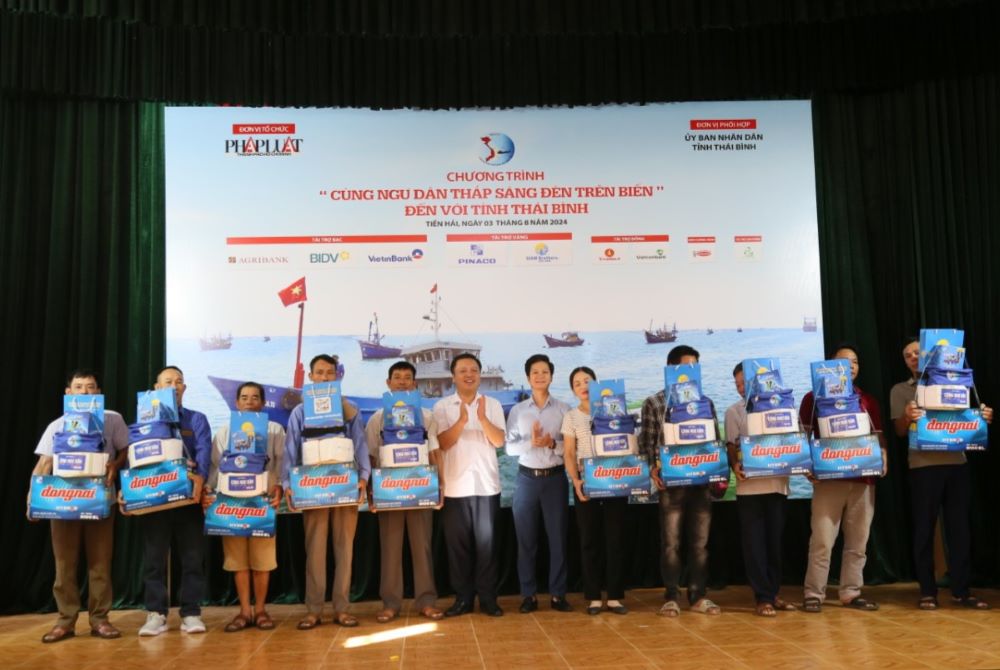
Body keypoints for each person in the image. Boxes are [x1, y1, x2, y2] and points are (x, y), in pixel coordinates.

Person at [890, 336, 993, 610]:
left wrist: (983, 417)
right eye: (907, 355)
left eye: (916, 352)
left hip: (957, 464)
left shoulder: (957, 384)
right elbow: (899, 431)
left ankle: (961, 590)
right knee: (924, 529)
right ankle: (927, 591)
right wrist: (907, 417)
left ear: (928, 355)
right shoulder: (900, 390)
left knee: (960, 530)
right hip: (923, 467)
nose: (913, 357)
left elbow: (970, 420)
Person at [29, 369, 129, 643]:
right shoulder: (57, 425)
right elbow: (44, 464)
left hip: (100, 501)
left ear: (98, 392)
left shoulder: (113, 419)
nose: (85, 392)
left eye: (90, 387)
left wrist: (114, 465)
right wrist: (32, 498)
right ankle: (65, 621)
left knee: (100, 564)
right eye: (79, 387)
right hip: (63, 502)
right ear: (68, 393)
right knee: (65, 565)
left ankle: (100, 620)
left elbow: (125, 451)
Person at [283, 354, 369, 628]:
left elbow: (360, 445)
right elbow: (290, 450)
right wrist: (288, 483)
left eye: (329, 373)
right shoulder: (300, 412)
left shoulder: (350, 409)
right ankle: (314, 609)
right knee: (315, 550)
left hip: (345, 486)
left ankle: (342, 608)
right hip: (312, 488)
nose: (324, 377)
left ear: (337, 376)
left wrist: (364, 477)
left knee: (345, 549)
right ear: (310, 377)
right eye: (319, 373)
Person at [799, 345, 887, 613]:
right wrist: (806, 464)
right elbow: (803, 437)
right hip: (829, 480)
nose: (850, 366)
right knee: (823, 540)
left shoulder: (867, 400)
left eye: (855, 362)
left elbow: (878, 436)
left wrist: (883, 457)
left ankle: (851, 592)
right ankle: (814, 593)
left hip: (863, 480)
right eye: (843, 362)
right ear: (829, 367)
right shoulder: (813, 398)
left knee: (858, 542)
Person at [639, 345, 720, 617]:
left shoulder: (706, 403)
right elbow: (646, 445)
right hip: (670, 487)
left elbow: (715, 443)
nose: (692, 372)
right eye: (687, 367)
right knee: (671, 544)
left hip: (701, 484)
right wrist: (652, 468)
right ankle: (671, 596)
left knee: (701, 544)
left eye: (695, 367)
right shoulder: (654, 403)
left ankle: (698, 596)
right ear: (672, 369)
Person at [364, 361, 444, 623]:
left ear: (415, 384)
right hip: (389, 491)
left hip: (421, 488)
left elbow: (434, 454)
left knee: (422, 547)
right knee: (390, 548)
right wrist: (371, 494)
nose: (401, 382)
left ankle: (427, 601)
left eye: (407, 378)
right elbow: (371, 459)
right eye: (396, 377)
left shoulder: (427, 416)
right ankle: (391, 603)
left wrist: (439, 486)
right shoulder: (376, 419)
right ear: (388, 383)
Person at [203, 381, 285, 632]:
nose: (250, 402)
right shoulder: (225, 431)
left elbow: (283, 462)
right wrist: (209, 492)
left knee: (262, 561)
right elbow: (215, 466)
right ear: (237, 403)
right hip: (230, 503)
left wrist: (280, 485)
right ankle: (244, 612)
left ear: (262, 402)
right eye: (245, 397)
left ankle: (260, 610)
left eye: (255, 397)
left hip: (262, 503)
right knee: (237, 560)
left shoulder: (275, 430)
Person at [139, 366, 212, 636]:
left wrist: (200, 479)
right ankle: (156, 613)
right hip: (155, 501)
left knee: (193, 559)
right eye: (168, 381)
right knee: (154, 560)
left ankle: (191, 612)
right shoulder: (143, 421)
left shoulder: (197, 419)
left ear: (185, 388)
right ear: (157, 388)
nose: (174, 385)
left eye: (179, 381)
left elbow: (204, 451)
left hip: (188, 501)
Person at [433, 353, 506, 617]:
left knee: (487, 546)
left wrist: (483, 419)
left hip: (486, 486)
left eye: (473, 370)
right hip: (454, 486)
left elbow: (499, 442)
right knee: (458, 549)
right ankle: (463, 599)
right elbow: (442, 443)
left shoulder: (493, 404)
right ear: (453, 376)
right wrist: (462, 421)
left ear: (480, 375)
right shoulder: (442, 407)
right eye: (462, 370)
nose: (469, 374)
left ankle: (488, 599)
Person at [723, 362, 795, 617]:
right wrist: (734, 465)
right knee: (754, 545)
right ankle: (762, 596)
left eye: (744, 382)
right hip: (749, 488)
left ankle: (773, 592)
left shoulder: (784, 405)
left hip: (777, 483)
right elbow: (731, 445)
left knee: (774, 542)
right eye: (737, 384)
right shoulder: (734, 411)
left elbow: (793, 440)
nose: (741, 387)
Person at [505, 354, 572, 613]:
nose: (540, 376)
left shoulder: (564, 409)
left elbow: (570, 449)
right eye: (535, 372)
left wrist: (552, 444)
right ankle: (528, 595)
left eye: (545, 371)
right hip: (526, 480)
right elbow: (509, 448)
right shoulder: (518, 411)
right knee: (526, 540)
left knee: (558, 540)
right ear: (528, 377)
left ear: (552, 376)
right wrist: (530, 443)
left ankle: (558, 595)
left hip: (555, 480)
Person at [561, 366, 627, 615]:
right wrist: (575, 481)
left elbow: (627, 442)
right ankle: (593, 597)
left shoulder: (615, 408)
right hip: (586, 484)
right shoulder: (571, 416)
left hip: (615, 479)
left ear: (596, 383)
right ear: (573, 390)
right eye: (577, 383)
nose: (583, 386)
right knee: (589, 541)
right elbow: (568, 452)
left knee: (616, 539)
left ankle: (615, 597)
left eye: (587, 381)